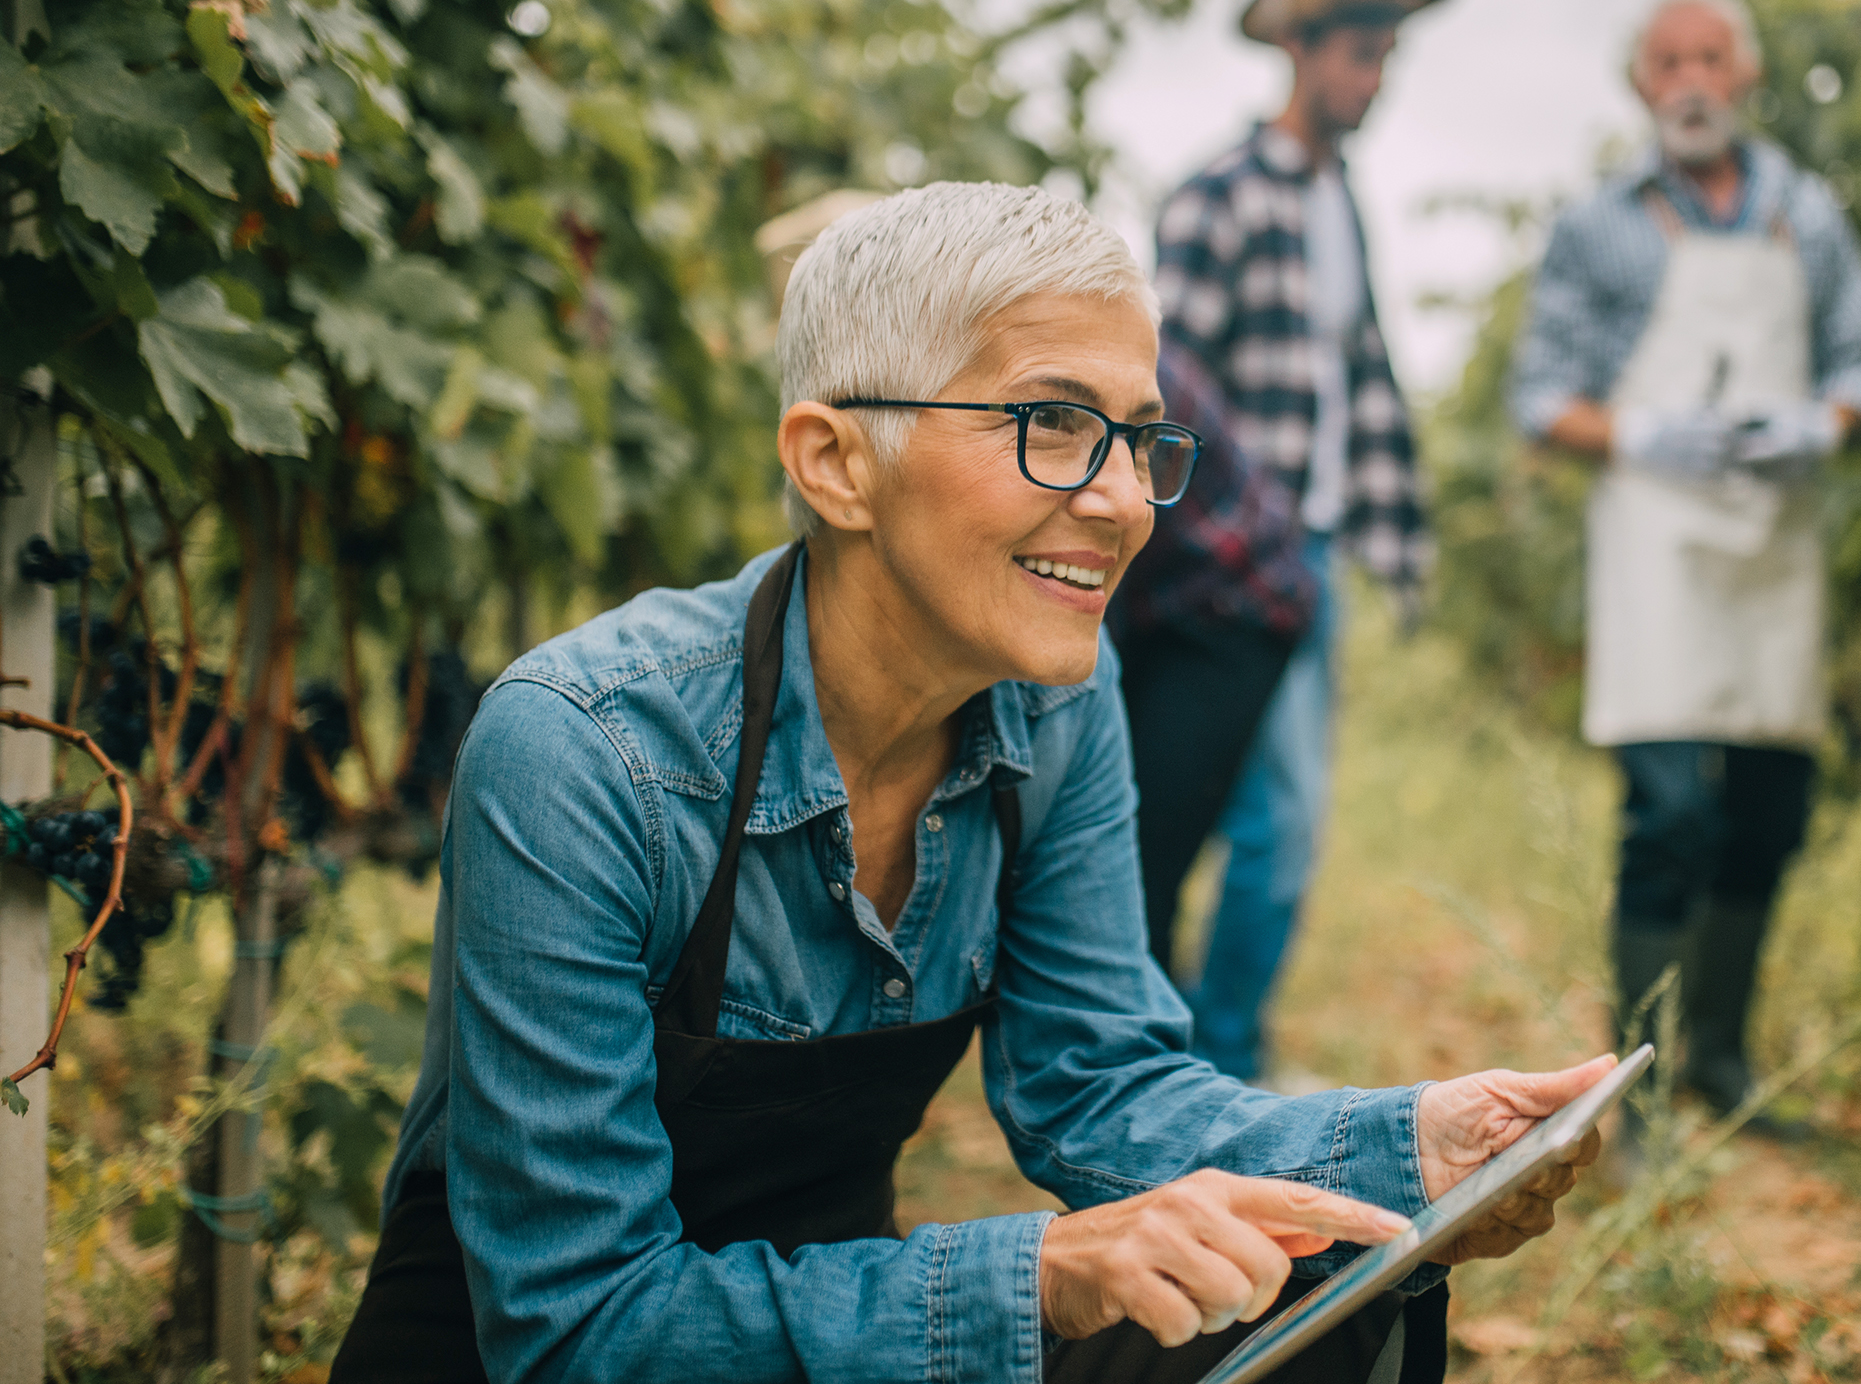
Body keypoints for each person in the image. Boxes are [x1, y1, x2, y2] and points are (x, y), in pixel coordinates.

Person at [332, 182, 1615, 1384]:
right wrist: (1043, 1275)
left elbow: (1096, 1082)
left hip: (821, 1334)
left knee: (1314, 1278)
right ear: (837, 463)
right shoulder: (582, 750)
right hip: (545, 1354)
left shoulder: (1061, 702)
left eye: (1138, 439)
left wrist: (1414, 1151)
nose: (1123, 501)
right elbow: (579, 1328)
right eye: (1054, 425)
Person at [1507, 0, 1861, 1132]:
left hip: (1774, 543)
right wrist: (1639, 433)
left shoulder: (1808, 217)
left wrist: (1825, 424)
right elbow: (1541, 398)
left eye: (1709, 58)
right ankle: (1636, 1090)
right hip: (1659, 542)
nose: (1690, 80)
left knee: (1771, 805)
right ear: (1640, 85)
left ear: (1745, 74)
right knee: (1670, 809)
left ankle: (1720, 1062)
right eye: (1667, 60)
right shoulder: (1600, 226)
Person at [1153, 0, 1442, 1082]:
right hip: (1231, 565)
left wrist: (1396, 536)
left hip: (1313, 553)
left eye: (1385, 59)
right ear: (1301, 48)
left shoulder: (1341, 208)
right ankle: (1212, 1064)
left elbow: (1360, 382)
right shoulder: (1218, 197)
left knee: (1273, 824)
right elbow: (1168, 382)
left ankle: (1207, 1050)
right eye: (1359, 56)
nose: (1372, 81)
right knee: (1262, 822)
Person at [1108, 337, 1319, 977]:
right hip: (1159, 598)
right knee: (1122, 854)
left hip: (1236, 604)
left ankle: (1146, 1059)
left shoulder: (1114, 361)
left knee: (1140, 864)